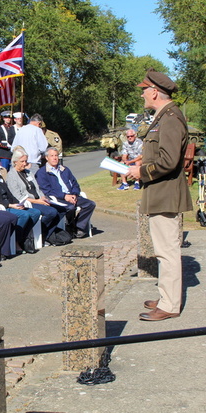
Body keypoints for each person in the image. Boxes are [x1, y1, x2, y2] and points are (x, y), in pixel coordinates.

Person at [127, 69, 193, 321]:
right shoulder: (163, 116)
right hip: (159, 191)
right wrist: (143, 160)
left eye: (144, 89)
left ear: (154, 91)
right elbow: (161, 153)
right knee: (163, 250)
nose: (142, 94)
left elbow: (168, 161)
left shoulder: (171, 118)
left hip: (165, 192)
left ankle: (170, 304)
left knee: (167, 251)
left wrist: (140, 171)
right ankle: (167, 295)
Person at [0, 154, 41, 254]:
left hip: (10, 204)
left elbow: (9, 193)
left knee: (35, 213)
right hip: (1, 207)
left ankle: (20, 238)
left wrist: (19, 203)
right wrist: (10, 205)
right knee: (24, 215)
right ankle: (16, 241)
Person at [36, 147, 96, 238]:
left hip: (71, 196)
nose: (55, 158)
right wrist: (64, 196)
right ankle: (70, 227)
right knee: (70, 207)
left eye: (56, 155)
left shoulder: (65, 170)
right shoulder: (42, 173)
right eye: (52, 156)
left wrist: (74, 194)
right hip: (57, 198)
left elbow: (75, 184)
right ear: (47, 158)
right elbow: (46, 191)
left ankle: (78, 226)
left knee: (90, 204)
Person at [6, 146, 64, 241]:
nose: (25, 164)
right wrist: (37, 201)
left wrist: (42, 197)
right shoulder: (12, 175)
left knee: (61, 209)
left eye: (26, 161)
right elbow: (19, 196)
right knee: (52, 212)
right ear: (15, 162)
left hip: (38, 199)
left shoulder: (28, 173)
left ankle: (47, 234)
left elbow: (37, 188)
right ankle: (40, 233)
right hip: (28, 202)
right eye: (22, 161)